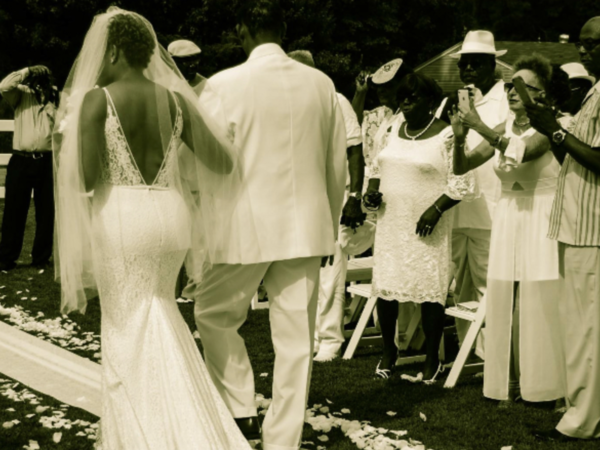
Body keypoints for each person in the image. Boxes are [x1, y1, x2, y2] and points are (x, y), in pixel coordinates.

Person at [53, 7, 251, 449]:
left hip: (123, 216)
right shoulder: (177, 100)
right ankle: (184, 420)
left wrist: (67, 147)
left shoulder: (97, 101)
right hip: (170, 214)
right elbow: (222, 163)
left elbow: (86, 178)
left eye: (100, 53)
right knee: (161, 312)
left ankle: (140, 435)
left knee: (125, 326)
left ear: (115, 51)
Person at [186, 2, 347, 449]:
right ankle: (282, 439)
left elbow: (207, 163)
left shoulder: (222, 85)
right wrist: (329, 224)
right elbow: (336, 163)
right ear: (284, 28)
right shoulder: (322, 83)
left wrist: (202, 223)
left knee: (213, 313)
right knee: (296, 341)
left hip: (245, 223)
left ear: (241, 30)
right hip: (306, 227)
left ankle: (239, 407)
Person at [451, 54, 569, 407]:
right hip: (508, 215)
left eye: (522, 86)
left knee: (544, 297)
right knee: (507, 298)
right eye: (509, 86)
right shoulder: (503, 127)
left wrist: (477, 123)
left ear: (542, 94)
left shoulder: (551, 125)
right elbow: (463, 166)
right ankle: (510, 381)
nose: (512, 92)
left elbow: (526, 152)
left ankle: (551, 385)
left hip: (542, 213)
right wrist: (459, 137)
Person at [363, 73, 477, 382]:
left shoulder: (447, 135)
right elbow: (376, 167)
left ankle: (432, 359)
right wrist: (372, 192)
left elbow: (461, 183)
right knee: (386, 289)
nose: (406, 103)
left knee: (430, 293)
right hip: (391, 222)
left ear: (431, 101)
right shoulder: (391, 131)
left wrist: (435, 210)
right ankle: (389, 351)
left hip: (427, 226)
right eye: (402, 98)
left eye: (413, 98)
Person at [525, 16, 600, 442]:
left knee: (585, 329)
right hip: (576, 225)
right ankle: (584, 412)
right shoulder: (594, 94)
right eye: (582, 44)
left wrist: (553, 130)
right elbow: (573, 158)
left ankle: (581, 421)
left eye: (593, 44)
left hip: (592, 229)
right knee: (580, 326)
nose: (584, 51)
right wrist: (551, 132)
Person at [287, 49, 365, 362]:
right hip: (301, 196)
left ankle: (331, 338)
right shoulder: (290, 104)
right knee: (305, 269)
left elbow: (355, 150)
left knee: (331, 269)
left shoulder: (337, 100)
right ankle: (311, 334)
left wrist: (354, 196)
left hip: (335, 195)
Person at [438, 30, 510, 357]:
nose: (468, 70)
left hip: (491, 210)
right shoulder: (451, 101)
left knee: (488, 285)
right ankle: (471, 353)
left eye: (476, 63)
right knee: (459, 289)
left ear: (492, 65)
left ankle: (495, 355)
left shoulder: (506, 100)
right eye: (464, 64)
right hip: (456, 210)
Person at [0, 65, 58, 271]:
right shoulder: (21, 94)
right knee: (14, 211)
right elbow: (4, 85)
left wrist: (51, 106)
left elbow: (64, 126)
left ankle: (41, 258)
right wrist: (28, 70)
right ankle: (7, 258)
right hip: (21, 160)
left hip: (47, 161)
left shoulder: (56, 97)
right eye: (39, 79)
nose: (42, 83)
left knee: (46, 212)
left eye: (45, 79)